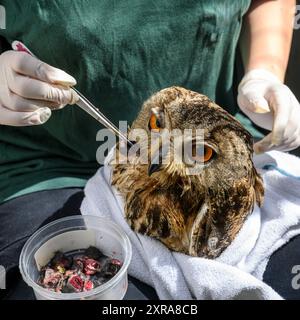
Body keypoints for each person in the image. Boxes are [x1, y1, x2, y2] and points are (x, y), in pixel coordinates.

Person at [0, 0, 299, 299]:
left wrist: (265, 72)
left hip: (230, 119)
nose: (161, 155)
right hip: (49, 163)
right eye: (157, 125)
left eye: (199, 152)